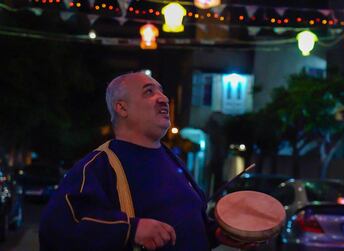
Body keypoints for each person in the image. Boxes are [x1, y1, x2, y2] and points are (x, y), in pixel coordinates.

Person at [39, 72, 256, 251]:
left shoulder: (173, 160)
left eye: (161, 91)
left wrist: (215, 234)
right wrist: (130, 230)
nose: (163, 98)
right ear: (121, 108)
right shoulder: (98, 166)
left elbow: (185, 228)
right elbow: (57, 229)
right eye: (149, 92)